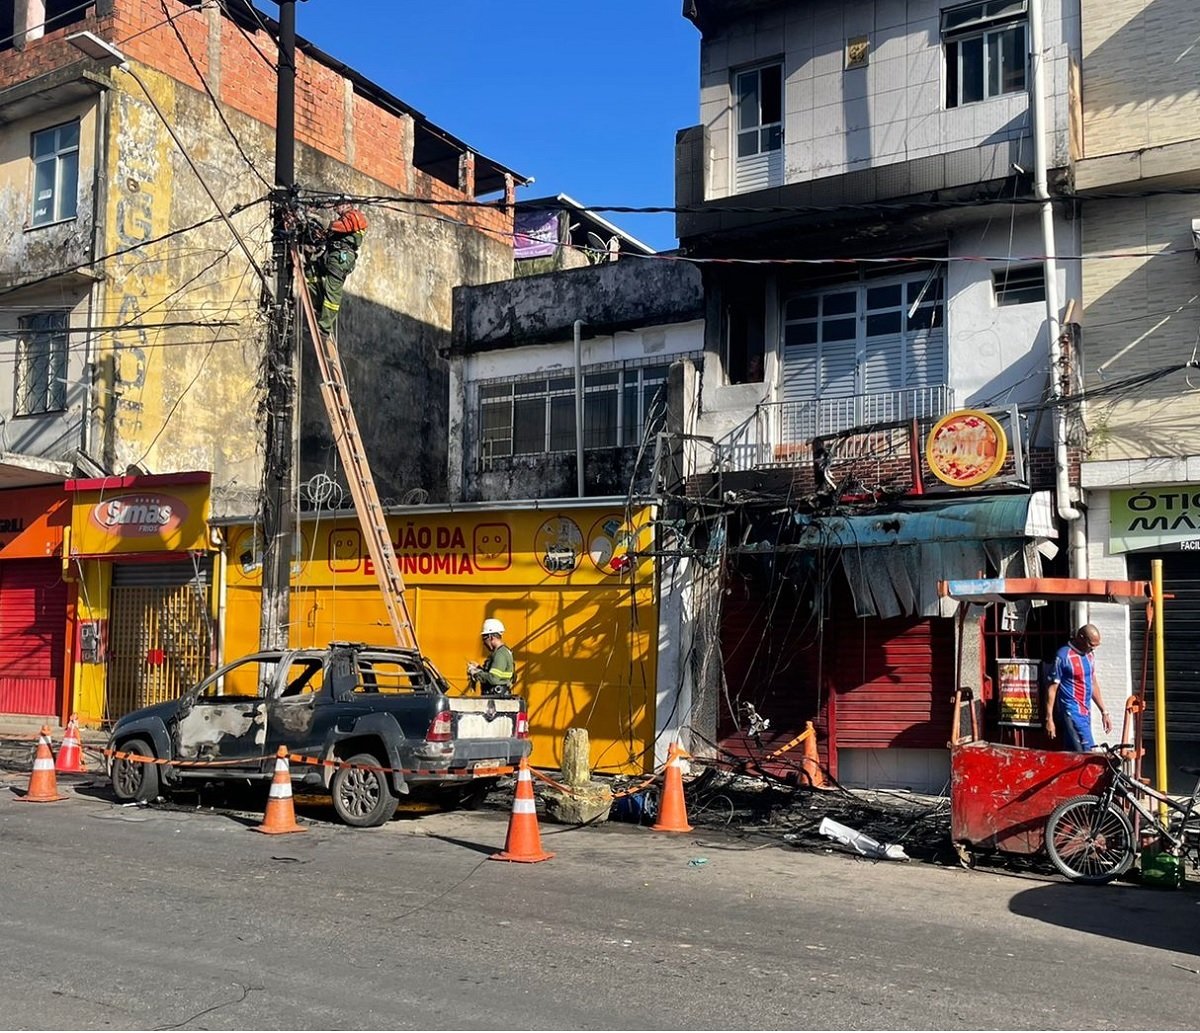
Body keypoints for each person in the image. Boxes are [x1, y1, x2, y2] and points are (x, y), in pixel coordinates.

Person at [1045, 624, 1112, 751]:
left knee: (1072, 752)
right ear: (1081, 638)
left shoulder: (1090, 655)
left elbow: (1092, 683)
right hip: (1071, 711)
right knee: (1088, 751)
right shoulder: (1063, 656)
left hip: (1086, 711)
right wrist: (1049, 719)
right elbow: (1052, 688)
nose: (1093, 649)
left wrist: (1104, 711)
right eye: (1091, 645)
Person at [305, 206, 368, 337]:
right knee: (311, 271)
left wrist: (322, 221)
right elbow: (331, 233)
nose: (336, 209)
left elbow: (343, 226)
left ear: (346, 204)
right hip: (332, 255)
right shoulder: (342, 220)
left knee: (333, 291)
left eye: (338, 205)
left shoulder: (355, 216)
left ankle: (324, 328)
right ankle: (318, 306)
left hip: (341, 257)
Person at [467, 618, 515, 697]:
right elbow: (495, 675)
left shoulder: (500, 654)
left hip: (496, 699)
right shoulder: (501, 652)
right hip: (497, 696)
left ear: (491, 637)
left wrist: (476, 673)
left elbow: (493, 679)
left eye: (484, 639)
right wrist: (479, 668)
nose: (483, 643)